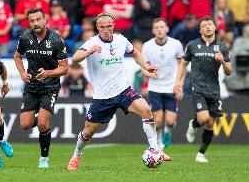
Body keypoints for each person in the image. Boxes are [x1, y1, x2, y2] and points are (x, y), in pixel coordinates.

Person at [67, 12, 171, 171]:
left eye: (109, 26)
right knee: (88, 132)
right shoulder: (91, 42)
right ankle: (76, 155)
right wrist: (89, 51)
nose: (106, 30)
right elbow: (75, 58)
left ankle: (155, 149)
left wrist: (147, 66)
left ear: (113, 25)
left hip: (123, 91)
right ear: (97, 27)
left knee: (146, 110)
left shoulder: (121, 40)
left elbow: (135, 52)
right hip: (102, 97)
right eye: (102, 27)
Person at [13, 7, 68, 169]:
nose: (35, 23)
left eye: (38, 19)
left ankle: (44, 158)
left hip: (50, 86)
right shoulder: (25, 37)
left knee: (43, 124)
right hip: (32, 86)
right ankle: (44, 119)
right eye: (32, 21)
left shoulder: (57, 39)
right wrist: (22, 72)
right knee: (25, 125)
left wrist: (48, 73)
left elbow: (64, 68)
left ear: (45, 20)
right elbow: (17, 56)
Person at [174, 16, 232, 162]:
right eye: (204, 25)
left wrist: (223, 62)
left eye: (210, 24)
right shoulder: (192, 45)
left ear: (215, 27)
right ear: (200, 30)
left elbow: (229, 71)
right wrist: (178, 82)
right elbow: (183, 64)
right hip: (197, 87)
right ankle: (193, 124)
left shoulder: (222, 47)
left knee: (211, 123)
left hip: (214, 89)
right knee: (204, 118)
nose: (207, 27)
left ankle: (201, 154)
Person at [141, 18, 184, 150]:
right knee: (158, 121)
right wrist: (150, 74)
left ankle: (168, 131)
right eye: (157, 27)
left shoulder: (176, 44)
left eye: (162, 27)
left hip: (171, 86)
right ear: (153, 30)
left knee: (170, 121)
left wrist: (179, 85)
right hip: (155, 87)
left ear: (167, 29)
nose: (159, 29)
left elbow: (182, 65)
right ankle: (159, 142)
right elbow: (143, 68)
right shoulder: (147, 46)